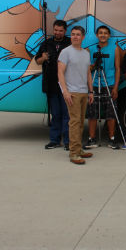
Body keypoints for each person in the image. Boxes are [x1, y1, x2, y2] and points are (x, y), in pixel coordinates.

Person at [58, 26, 94, 165]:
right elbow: (60, 72)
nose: (75, 37)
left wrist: (90, 91)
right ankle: (73, 153)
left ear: (83, 37)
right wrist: (65, 91)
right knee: (74, 122)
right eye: (73, 34)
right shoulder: (65, 52)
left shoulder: (86, 53)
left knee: (79, 123)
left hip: (84, 92)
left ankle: (79, 150)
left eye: (78, 34)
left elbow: (88, 73)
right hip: (72, 92)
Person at [35, 19, 71, 150]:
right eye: (56, 30)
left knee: (67, 114)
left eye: (60, 31)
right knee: (55, 114)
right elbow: (38, 61)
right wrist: (43, 58)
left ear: (65, 31)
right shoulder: (46, 43)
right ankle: (55, 140)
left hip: (66, 85)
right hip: (50, 84)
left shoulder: (69, 42)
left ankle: (68, 141)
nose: (58, 32)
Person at [85, 25, 120, 150]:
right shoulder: (90, 49)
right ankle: (91, 138)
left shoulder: (115, 48)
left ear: (109, 35)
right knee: (92, 112)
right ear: (96, 35)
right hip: (94, 84)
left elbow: (117, 68)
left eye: (105, 33)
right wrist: (94, 65)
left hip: (109, 83)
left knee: (111, 112)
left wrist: (115, 87)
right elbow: (87, 69)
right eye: (100, 33)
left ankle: (112, 138)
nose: (103, 35)